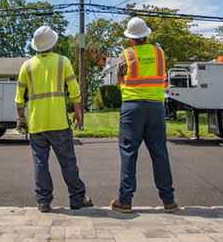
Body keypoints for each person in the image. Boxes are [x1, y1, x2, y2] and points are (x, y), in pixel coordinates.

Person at [15, 25, 92, 213]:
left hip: (36, 123)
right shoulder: (62, 62)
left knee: (40, 163)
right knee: (68, 162)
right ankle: (77, 198)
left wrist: (21, 119)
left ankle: (43, 201)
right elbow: (74, 92)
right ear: (53, 43)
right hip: (58, 122)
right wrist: (78, 113)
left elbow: (19, 98)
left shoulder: (27, 66)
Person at [111, 17, 177, 213]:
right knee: (159, 153)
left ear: (131, 38)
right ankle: (169, 199)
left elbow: (119, 81)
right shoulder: (159, 53)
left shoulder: (127, 55)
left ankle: (125, 200)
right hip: (156, 107)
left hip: (133, 108)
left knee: (129, 153)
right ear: (146, 35)